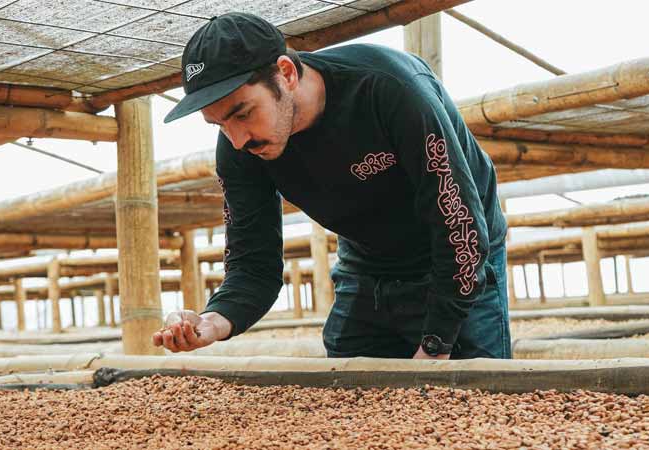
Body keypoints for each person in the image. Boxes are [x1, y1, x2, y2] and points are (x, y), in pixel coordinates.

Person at [153, 12, 510, 360]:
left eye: (243, 113)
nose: (236, 138)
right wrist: (212, 322)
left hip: (458, 261)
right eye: (218, 124)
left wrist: (435, 345)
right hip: (367, 266)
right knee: (348, 398)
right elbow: (253, 265)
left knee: (477, 399)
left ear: (286, 74)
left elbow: (459, 227)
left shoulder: (390, 90)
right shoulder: (240, 148)